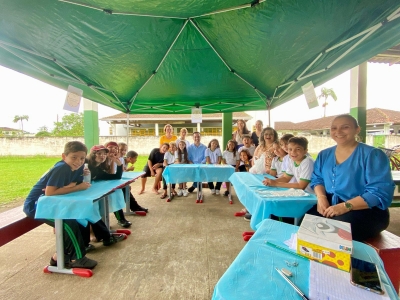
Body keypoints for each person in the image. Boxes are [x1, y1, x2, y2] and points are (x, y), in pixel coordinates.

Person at [307, 114, 395, 241]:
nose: (338, 132)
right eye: (334, 128)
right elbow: (317, 179)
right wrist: (321, 198)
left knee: (334, 234)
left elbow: (379, 192)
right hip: (331, 205)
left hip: (365, 210)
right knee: (305, 224)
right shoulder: (324, 155)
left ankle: (358, 261)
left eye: (345, 127)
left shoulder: (372, 155)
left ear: (357, 129)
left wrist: (344, 206)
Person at [23, 141, 97, 269]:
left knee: (76, 218)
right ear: (64, 156)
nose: (78, 161)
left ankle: (59, 258)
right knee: (68, 223)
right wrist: (77, 187)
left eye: (81, 158)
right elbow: (50, 192)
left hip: (52, 203)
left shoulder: (78, 167)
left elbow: (72, 183)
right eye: (74, 157)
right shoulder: (61, 168)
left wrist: (72, 185)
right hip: (38, 206)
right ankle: (78, 259)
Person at [85, 145, 130, 243]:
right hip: (81, 195)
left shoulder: (97, 168)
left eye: (104, 154)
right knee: (93, 210)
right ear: (93, 154)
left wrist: (118, 164)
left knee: (102, 204)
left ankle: (103, 234)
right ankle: (100, 235)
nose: (103, 156)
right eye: (99, 153)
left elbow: (115, 177)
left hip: (88, 193)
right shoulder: (86, 164)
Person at [104, 141, 131, 228]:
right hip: (99, 184)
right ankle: (105, 222)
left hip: (108, 182)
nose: (113, 149)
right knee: (114, 194)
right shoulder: (103, 158)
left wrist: (113, 161)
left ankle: (121, 218)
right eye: (110, 147)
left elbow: (112, 174)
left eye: (115, 148)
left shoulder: (113, 159)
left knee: (117, 192)